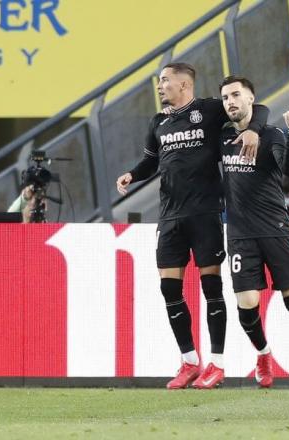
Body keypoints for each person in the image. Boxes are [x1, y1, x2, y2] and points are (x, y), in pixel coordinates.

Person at [116, 62, 270, 390]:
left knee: (211, 288)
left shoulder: (211, 110)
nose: (160, 87)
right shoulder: (158, 122)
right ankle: (189, 361)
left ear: (184, 85)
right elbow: (150, 161)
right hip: (170, 216)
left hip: (205, 214)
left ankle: (218, 363)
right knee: (169, 289)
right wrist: (132, 173)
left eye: (164, 81)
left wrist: (255, 128)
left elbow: (259, 107)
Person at [218, 75, 289, 391]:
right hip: (238, 232)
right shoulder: (221, 135)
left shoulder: (272, 133)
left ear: (251, 98)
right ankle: (263, 356)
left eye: (236, 95)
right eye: (225, 98)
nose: (230, 102)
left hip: (274, 229)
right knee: (247, 302)